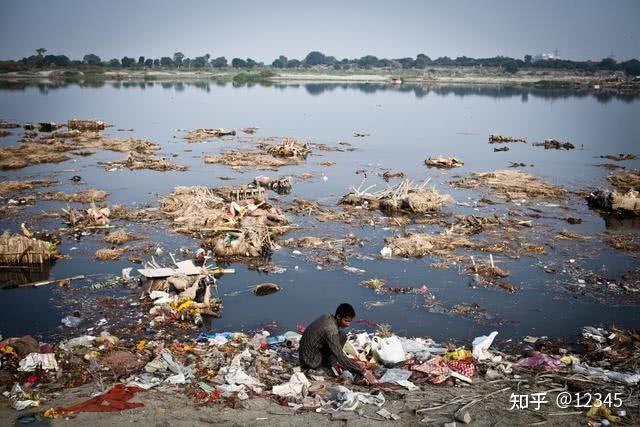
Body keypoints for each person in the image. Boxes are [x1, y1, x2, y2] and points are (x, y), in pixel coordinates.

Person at [299, 303, 367, 381]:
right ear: (338, 317)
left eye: (349, 322)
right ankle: (326, 367)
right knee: (338, 351)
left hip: (307, 352)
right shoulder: (330, 329)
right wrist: (359, 370)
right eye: (346, 321)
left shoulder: (327, 316)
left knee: (342, 335)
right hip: (310, 360)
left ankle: (329, 364)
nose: (348, 325)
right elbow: (339, 355)